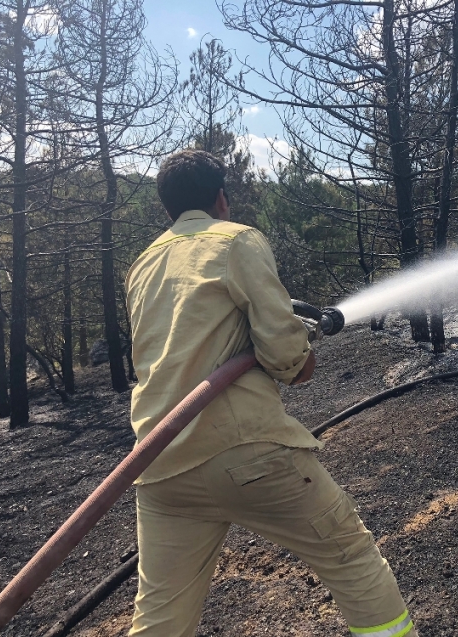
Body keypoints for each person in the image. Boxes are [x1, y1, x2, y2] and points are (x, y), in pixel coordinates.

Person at [124, 149, 417, 637]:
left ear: (166, 210)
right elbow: (286, 357)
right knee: (349, 555)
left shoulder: (142, 264)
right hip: (243, 453)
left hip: (159, 465)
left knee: (159, 614)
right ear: (221, 198)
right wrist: (302, 357)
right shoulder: (236, 240)